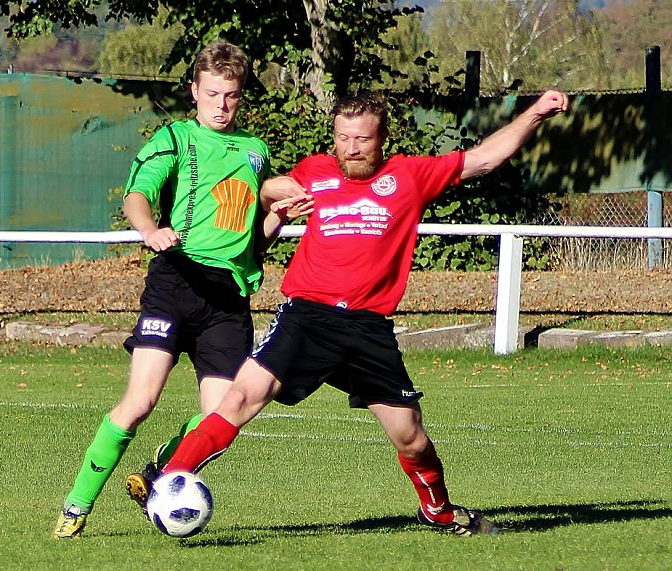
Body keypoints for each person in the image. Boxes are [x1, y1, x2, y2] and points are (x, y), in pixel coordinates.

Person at [151, 89, 570, 536]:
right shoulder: (316, 170)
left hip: (368, 328)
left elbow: (485, 158)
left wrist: (537, 113)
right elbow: (267, 186)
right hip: (305, 317)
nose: (351, 149)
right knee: (239, 398)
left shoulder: (409, 175)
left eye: (362, 140)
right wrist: (282, 190)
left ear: (382, 138)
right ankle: (167, 482)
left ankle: (439, 511)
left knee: (410, 436)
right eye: (343, 138)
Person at [53, 39, 309, 539]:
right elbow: (137, 196)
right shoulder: (174, 138)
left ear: (241, 96)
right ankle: (77, 505)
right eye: (212, 93)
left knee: (222, 419)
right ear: (194, 91)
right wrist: (149, 230)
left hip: (228, 300)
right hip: (176, 283)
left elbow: (249, 240)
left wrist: (276, 217)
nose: (221, 104)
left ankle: (160, 472)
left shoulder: (256, 152)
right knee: (140, 400)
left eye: (231, 95)